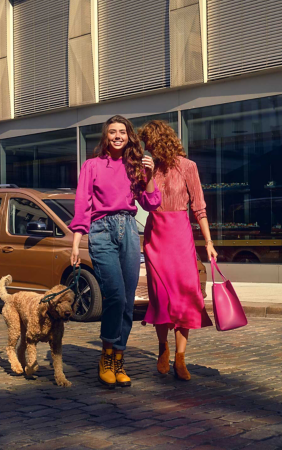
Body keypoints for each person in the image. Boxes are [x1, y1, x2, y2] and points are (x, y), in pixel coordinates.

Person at [69, 115, 161, 388]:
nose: (118, 136)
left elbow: (151, 202)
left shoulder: (135, 165)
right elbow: (82, 205)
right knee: (115, 295)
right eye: (113, 132)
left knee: (127, 299)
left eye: (122, 132)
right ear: (106, 136)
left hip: (129, 230)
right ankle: (107, 356)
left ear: (128, 135)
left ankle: (118, 358)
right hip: (101, 231)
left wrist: (151, 175)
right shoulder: (92, 165)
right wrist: (76, 243)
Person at [137, 120, 217, 381]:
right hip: (155, 236)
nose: (146, 148)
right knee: (160, 297)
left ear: (160, 140)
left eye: (148, 142)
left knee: (184, 296)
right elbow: (147, 205)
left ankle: (181, 358)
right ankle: (163, 348)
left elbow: (200, 208)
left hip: (180, 236)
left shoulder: (187, 167)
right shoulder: (148, 169)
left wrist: (209, 242)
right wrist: (146, 176)